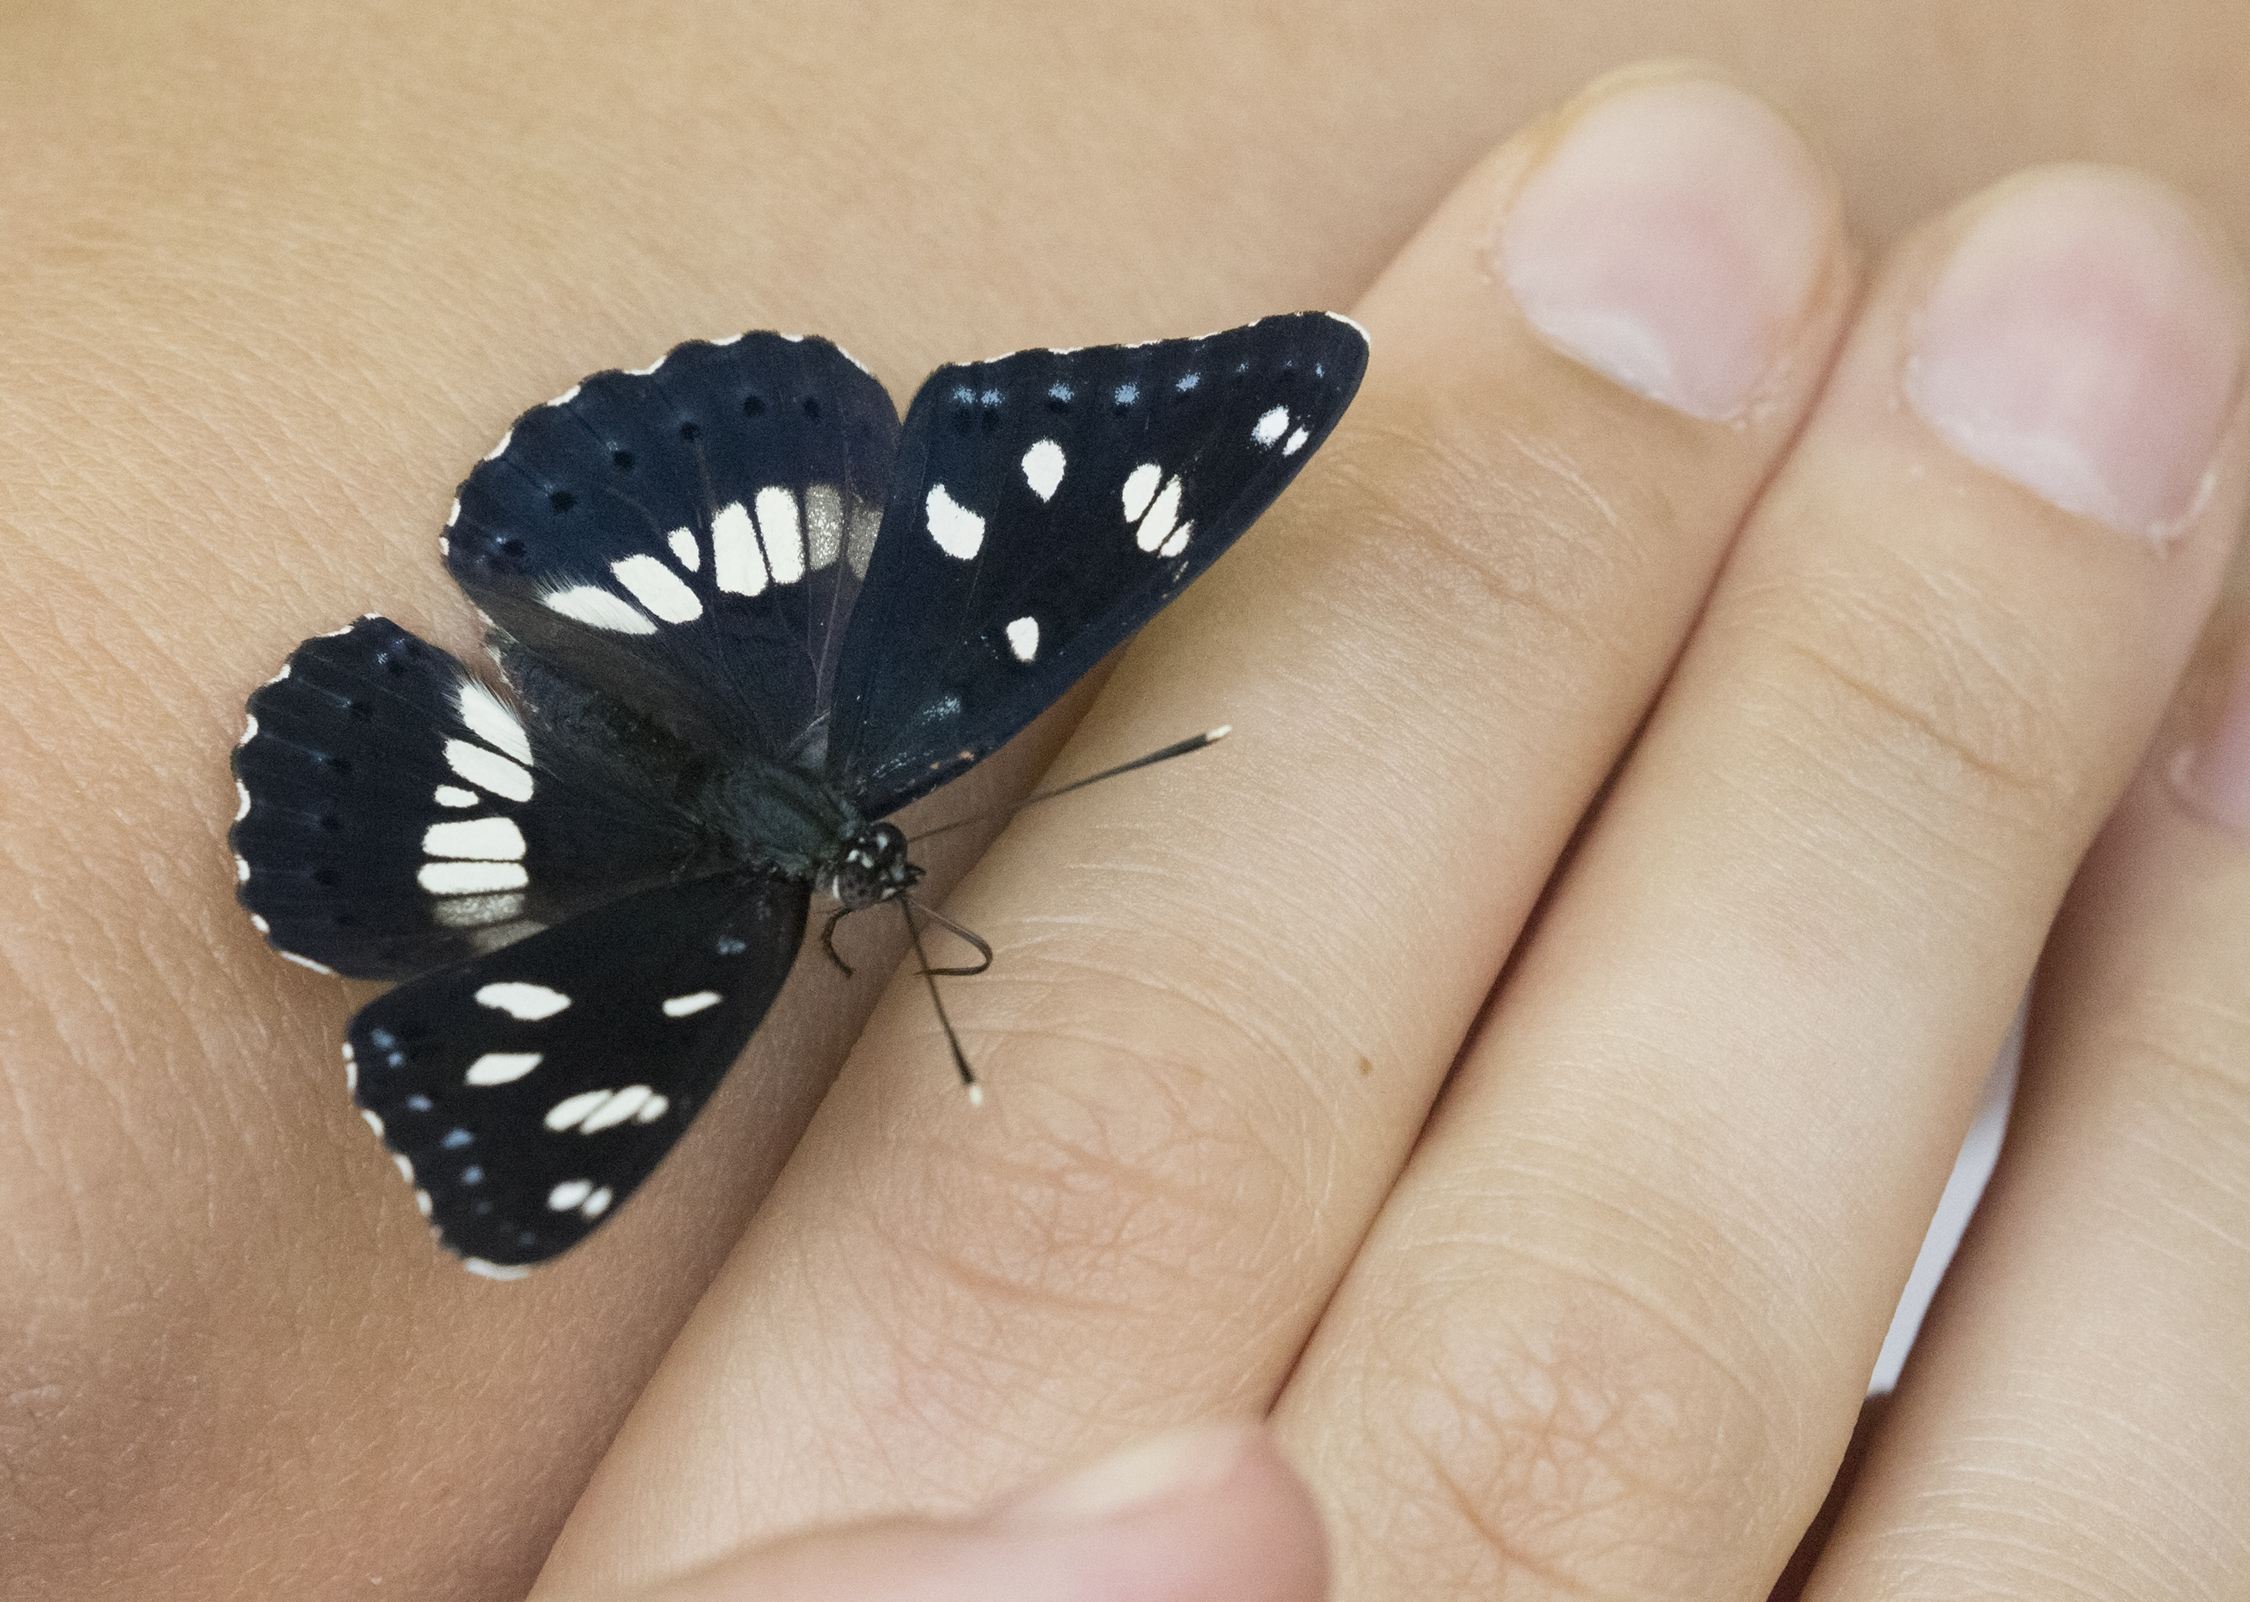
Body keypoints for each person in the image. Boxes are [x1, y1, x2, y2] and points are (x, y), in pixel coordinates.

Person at [4, 10, 2246, 1600]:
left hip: (611, 712)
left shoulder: (751, 919)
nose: (872, 889)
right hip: (738, 606)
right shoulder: (887, 778)